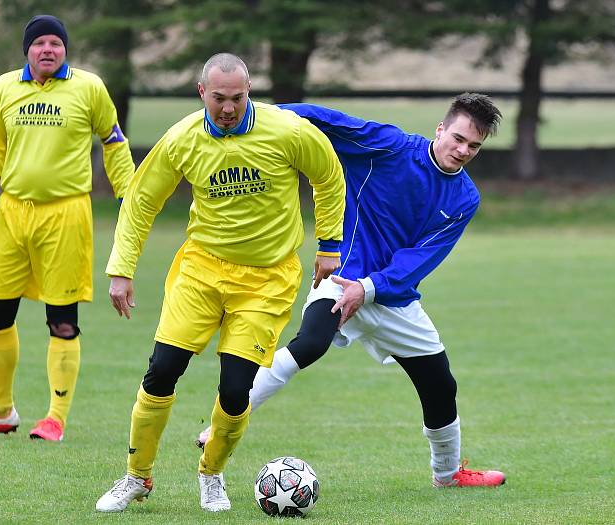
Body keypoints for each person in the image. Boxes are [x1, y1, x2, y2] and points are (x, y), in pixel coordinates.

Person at [196, 93, 507, 488]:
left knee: (441, 385)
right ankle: (218, 428)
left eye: (474, 146)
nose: (463, 151)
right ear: (441, 129)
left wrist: (371, 288)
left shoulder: (465, 197)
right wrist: (257, 115)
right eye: (458, 138)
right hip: (343, 276)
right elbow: (328, 120)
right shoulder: (390, 146)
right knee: (308, 345)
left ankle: (448, 475)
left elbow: (421, 258)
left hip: (392, 296)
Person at [95, 53, 345, 513]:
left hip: (268, 280)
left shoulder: (287, 131)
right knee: (162, 371)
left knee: (235, 389)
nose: (228, 107)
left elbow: (328, 175)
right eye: (219, 98)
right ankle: (136, 476)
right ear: (201, 93)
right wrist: (121, 268)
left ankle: (211, 475)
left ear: (249, 91)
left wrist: (329, 245)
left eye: (237, 97)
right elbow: (141, 201)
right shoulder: (182, 139)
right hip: (202, 271)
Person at [0, 14, 135, 442]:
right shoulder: (3, 88)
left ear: (65, 49)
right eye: (40, 44)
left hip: (66, 214)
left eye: (56, 42)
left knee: (62, 321)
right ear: (28, 50)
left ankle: (55, 417)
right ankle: (0, 412)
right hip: (12, 213)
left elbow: (113, 141)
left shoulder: (89, 88)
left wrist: (130, 195)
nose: (48, 49)